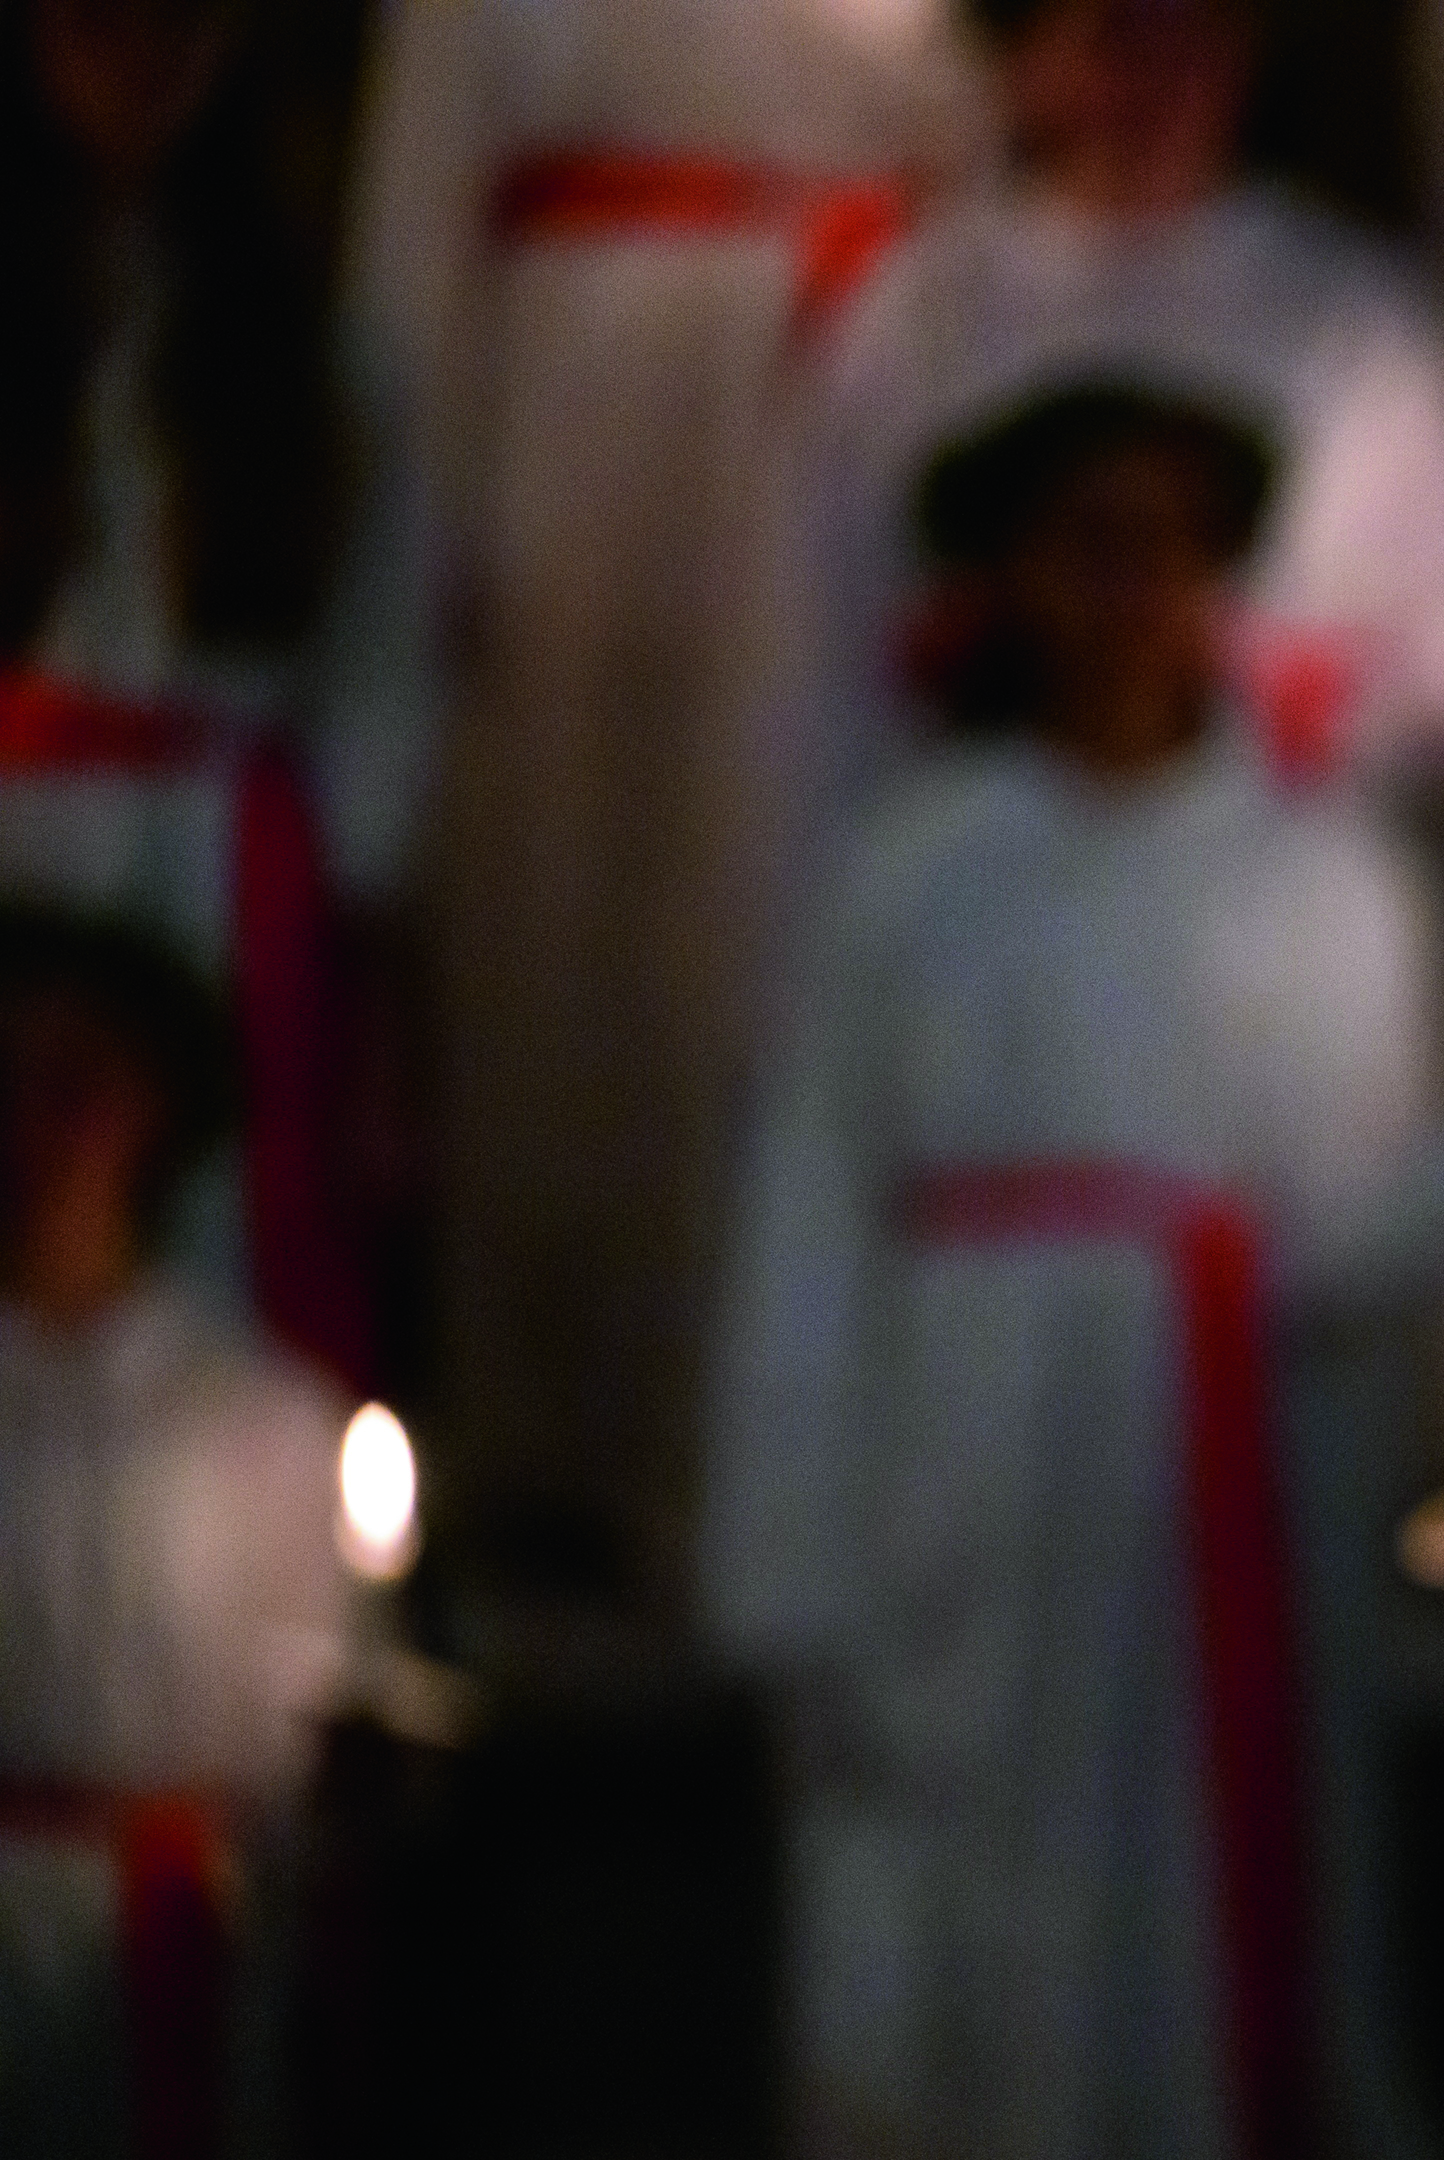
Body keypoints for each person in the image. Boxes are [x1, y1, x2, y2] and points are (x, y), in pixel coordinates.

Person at [701, 380, 1444, 2160]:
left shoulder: (1320, 883)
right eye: (1077, 540)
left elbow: (1362, 1231)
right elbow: (813, 1216)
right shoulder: (916, 871)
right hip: (957, 1516)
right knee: (954, 2011)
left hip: (1210, 1524)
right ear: (1006, 578)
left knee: (1189, 2040)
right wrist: (795, 1572)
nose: (1125, 587)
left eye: (1167, 540)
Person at [352, 0, 978, 1628]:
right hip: (578, 429)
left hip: (832, 420)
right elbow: (416, 241)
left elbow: (975, 137)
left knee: (768, 942)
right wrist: (417, 548)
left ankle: (761, 1461)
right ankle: (553, 1455)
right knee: (566, 949)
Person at [0, 906, 348, 2160]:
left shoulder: (250, 1415)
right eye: (10, 1081)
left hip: (154, 1931)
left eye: (82, 1082)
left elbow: (301, 1715)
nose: (39, 1126)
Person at [792, 0, 1444, 844]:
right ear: (1026, 66)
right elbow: (828, 641)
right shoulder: (918, 311)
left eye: (1190, 35)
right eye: (1115, 35)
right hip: (971, 872)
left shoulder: (1361, 320)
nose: (1155, 79)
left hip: (1274, 870)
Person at [4, 0, 435, 1392]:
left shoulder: (314, 346)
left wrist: (360, 945)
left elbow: (379, 665)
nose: (141, 58)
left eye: (179, 27)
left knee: (212, 1238)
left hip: (218, 858)